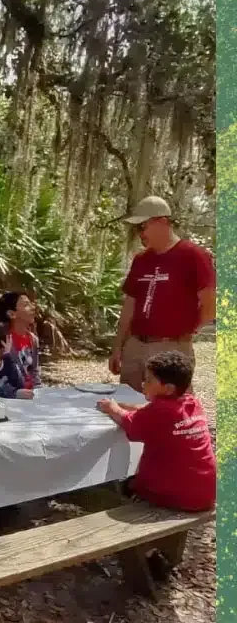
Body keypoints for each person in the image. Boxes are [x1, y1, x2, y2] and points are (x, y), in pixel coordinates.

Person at [108, 195, 216, 392]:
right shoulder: (141, 260)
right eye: (136, 228)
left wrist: (188, 332)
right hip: (135, 346)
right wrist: (118, 347)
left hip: (171, 347)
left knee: (170, 409)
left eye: (143, 226)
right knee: (128, 406)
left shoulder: (193, 255)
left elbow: (210, 304)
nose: (140, 233)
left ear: (163, 222)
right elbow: (129, 306)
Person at [97, 350, 215, 513]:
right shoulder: (191, 403)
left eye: (149, 380)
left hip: (177, 497)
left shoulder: (160, 411)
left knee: (111, 486)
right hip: (205, 493)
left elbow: (130, 424)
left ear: (168, 389)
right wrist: (126, 406)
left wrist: (113, 408)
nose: (143, 384)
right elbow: (152, 413)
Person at [0, 291, 42, 389]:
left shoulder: (33, 339)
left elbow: (34, 371)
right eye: (26, 305)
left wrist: (38, 391)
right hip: (8, 395)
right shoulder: (2, 340)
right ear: (12, 314)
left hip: (29, 394)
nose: (33, 307)